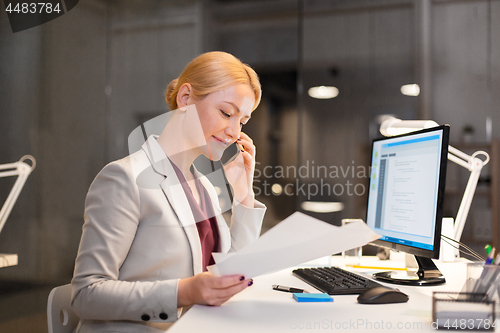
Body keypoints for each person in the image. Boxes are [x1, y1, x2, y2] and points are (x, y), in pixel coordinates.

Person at [70, 51, 266, 333]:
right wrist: (183, 292)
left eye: (243, 121)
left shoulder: (205, 187)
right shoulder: (125, 177)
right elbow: (85, 295)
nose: (235, 131)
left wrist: (244, 195)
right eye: (226, 113)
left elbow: (231, 275)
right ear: (185, 98)